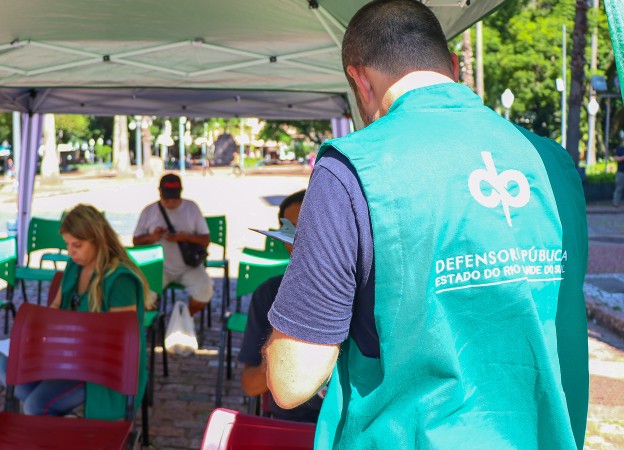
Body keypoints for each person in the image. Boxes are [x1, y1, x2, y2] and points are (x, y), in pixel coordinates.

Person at [263, 1, 589, 448]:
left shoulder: (352, 167)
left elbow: (292, 380)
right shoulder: (553, 163)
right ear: (453, 66)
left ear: (359, 78)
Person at [0, 204, 151, 417]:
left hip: (99, 367)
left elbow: (121, 341)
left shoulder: (120, 279)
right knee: (4, 365)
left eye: (77, 245)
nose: (70, 252)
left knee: (35, 406)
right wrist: (40, 338)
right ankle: (61, 419)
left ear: (98, 240)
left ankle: (55, 420)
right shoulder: (75, 266)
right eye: (67, 244)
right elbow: (57, 308)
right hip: (68, 355)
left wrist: (70, 341)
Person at [238, 189, 322, 423]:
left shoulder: (368, 294)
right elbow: (250, 384)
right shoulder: (269, 295)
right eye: (292, 231)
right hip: (291, 425)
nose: (301, 240)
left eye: (312, 226)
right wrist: (281, 354)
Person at [133, 173, 213, 316]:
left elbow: (205, 240)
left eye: (174, 199)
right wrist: (153, 237)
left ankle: (184, 318)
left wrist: (185, 237)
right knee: (143, 299)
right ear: (160, 193)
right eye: (166, 199)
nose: (170, 203)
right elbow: (136, 241)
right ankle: (155, 321)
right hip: (158, 268)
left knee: (205, 291)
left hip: (189, 267)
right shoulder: (149, 211)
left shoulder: (191, 208)